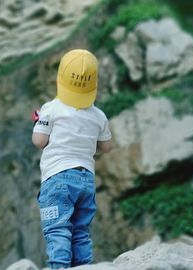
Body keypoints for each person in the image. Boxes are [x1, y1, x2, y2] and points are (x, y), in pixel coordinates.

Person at [31, 49, 112, 269]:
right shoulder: (98, 116)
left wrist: (39, 122)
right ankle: (84, 267)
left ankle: (59, 267)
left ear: (61, 79)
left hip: (57, 180)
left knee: (57, 229)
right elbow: (106, 146)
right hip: (86, 181)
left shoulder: (51, 109)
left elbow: (39, 141)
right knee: (80, 231)